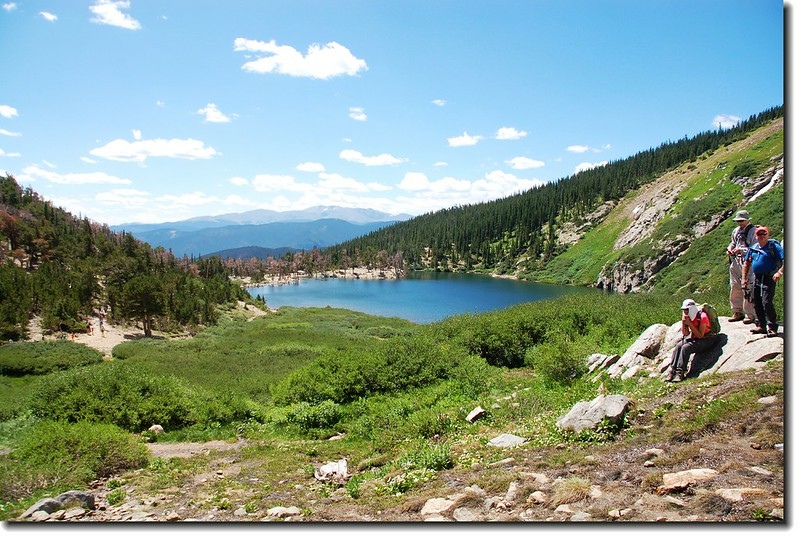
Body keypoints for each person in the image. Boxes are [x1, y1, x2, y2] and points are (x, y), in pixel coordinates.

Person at [742, 226, 784, 338]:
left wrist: (779, 272)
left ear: (768, 235)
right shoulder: (754, 248)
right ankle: (761, 325)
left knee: (766, 302)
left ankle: (772, 327)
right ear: (756, 236)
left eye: (763, 234)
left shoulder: (773, 246)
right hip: (756, 277)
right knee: (757, 301)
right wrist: (744, 278)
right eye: (759, 234)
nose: (761, 236)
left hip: (769, 277)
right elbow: (746, 263)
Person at [666, 299, 718, 382]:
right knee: (679, 346)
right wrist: (684, 323)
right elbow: (686, 334)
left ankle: (681, 372)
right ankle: (672, 371)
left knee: (686, 348)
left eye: (687, 310)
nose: (685, 312)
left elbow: (700, 335)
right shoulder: (688, 317)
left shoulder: (702, 316)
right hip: (696, 338)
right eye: (684, 310)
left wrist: (689, 324)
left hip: (707, 339)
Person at [725, 210, 757, 323]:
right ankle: (737, 311)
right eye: (738, 221)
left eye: (742, 221)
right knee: (734, 285)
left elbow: (755, 247)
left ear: (747, 220)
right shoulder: (736, 231)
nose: (740, 223)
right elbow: (733, 242)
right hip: (736, 261)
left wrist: (741, 250)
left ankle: (750, 314)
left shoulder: (754, 231)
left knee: (747, 287)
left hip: (748, 261)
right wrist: (730, 249)